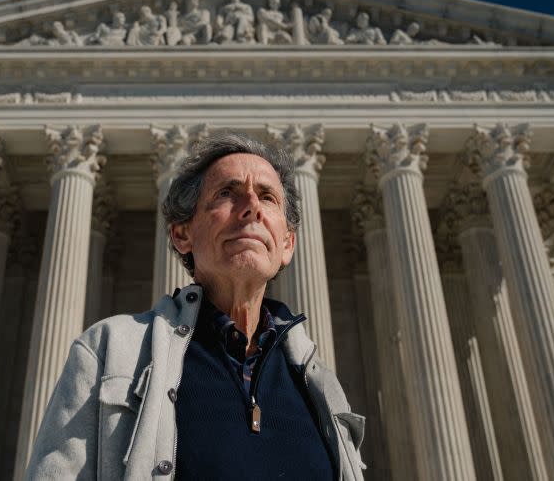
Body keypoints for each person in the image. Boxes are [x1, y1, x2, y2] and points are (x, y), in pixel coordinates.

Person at [26, 133, 366, 480]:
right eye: (227, 193)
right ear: (181, 234)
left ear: (287, 244)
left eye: (267, 197)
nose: (251, 207)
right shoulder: (109, 352)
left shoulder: (320, 384)